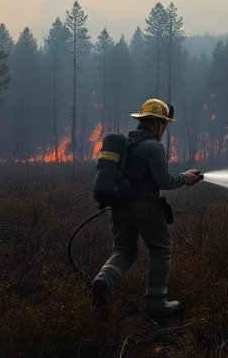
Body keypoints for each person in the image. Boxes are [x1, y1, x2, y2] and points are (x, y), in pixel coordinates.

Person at [91, 98, 203, 317]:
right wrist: (186, 178)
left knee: (124, 250)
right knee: (161, 250)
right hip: (145, 208)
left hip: (119, 207)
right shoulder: (153, 147)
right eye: (164, 124)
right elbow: (165, 181)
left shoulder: (126, 145)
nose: (164, 129)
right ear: (158, 123)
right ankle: (156, 304)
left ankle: (103, 281)